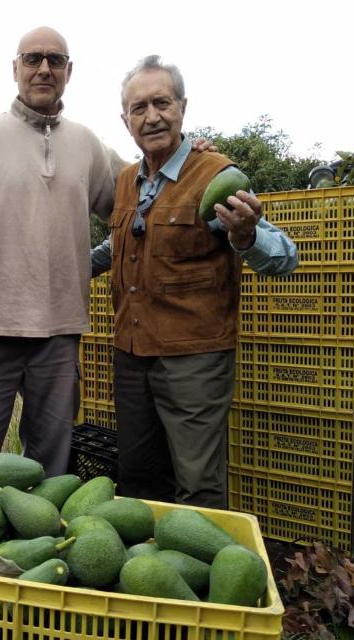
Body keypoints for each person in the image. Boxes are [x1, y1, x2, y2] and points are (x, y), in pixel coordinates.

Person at [92, 56, 299, 508]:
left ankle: (201, 574)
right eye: (139, 108)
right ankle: (148, 575)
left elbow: (285, 257)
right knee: (138, 476)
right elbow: (121, 246)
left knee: (198, 484)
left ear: (182, 107)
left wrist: (244, 235)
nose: (152, 117)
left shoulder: (216, 175)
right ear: (125, 120)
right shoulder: (127, 180)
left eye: (161, 102)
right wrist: (70, 270)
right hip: (131, 354)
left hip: (194, 360)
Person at [0, 26, 126, 476]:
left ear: (69, 72)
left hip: (60, 334)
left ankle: (37, 544)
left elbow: (137, 197)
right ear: (15, 68)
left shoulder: (87, 144)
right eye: (33, 59)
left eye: (55, 61)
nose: (44, 69)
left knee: (51, 467)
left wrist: (188, 159)